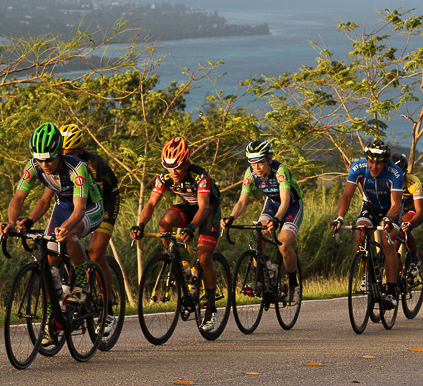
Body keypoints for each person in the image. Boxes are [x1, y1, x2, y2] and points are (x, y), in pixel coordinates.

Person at [0, 121, 104, 344]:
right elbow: (18, 197)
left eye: (49, 159)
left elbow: (79, 209)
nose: (44, 164)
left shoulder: (77, 167)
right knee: (48, 261)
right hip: (62, 205)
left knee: (70, 235)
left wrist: (66, 228)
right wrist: (12, 222)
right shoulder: (34, 165)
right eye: (39, 159)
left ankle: (82, 285)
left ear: (59, 154)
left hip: (89, 207)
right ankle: (53, 317)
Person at [130, 137, 222, 332]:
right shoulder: (165, 177)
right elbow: (151, 203)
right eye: (169, 168)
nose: (173, 172)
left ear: (186, 163)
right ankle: (179, 264)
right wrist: (140, 225)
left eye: (178, 168)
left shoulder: (201, 176)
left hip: (208, 211)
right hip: (189, 206)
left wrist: (191, 227)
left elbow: (204, 207)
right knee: (165, 220)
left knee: (204, 256)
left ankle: (211, 307)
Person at [220, 139, 303, 303]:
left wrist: (278, 219)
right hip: (272, 203)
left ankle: (294, 283)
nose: (256, 167)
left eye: (260, 162)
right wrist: (231, 218)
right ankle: (263, 278)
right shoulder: (250, 173)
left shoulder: (281, 171)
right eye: (252, 163)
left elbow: (285, 200)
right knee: (260, 233)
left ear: (270, 160)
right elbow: (242, 202)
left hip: (292, 205)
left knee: (283, 245)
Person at [58, 123, 121, 334]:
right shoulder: (59, 163)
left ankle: (108, 309)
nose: (65, 157)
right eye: (61, 153)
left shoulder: (93, 163)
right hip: (79, 203)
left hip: (103, 203)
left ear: (81, 151)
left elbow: (92, 203)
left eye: (70, 153)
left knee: (96, 253)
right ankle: (76, 283)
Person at [330, 139, 404, 309]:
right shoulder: (358, 168)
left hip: (390, 211)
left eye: (378, 163)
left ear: (386, 162)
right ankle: (368, 273)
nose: (374, 167)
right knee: (361, 233)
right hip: (370, 206)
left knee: (387, 242)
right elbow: (346, 196)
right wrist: (340, 217)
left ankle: (392, 291)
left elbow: (395, 205)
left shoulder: (395, 172)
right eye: (370, 162)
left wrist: (388, 220)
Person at [391, 153, 423, 276]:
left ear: (406, 173)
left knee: (403, 226)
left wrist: (411, 224)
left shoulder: (413, 183)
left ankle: (414, 260)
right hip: (398, 209)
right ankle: (396, 265)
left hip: (414, 209)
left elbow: (419, 211)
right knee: (391, 237)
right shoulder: (385, 180)